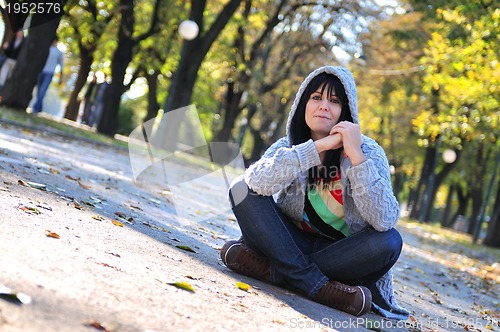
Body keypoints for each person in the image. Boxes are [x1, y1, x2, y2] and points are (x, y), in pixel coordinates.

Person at [221, 66, 410, 319]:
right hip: (289, 241)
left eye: (334, 101)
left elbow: (384, 219)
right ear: (303, 104)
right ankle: (319, 287)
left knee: (390, 241)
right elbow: (255, 182)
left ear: (346, 111)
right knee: (241, 188)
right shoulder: (288, 146)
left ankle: (275, 272)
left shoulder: (370, 152)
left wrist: (357, 158)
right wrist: (315, 148)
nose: (324, 106)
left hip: (342, 256)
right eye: (316, 97)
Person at [32, 37, 64, 114]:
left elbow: (61, 65)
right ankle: (39, 107)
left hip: (49, 73)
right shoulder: (46, 49)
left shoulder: (58, 52)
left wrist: (61, 77)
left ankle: (35, 108)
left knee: (43, 90)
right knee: (39, 90)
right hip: (41, 71)